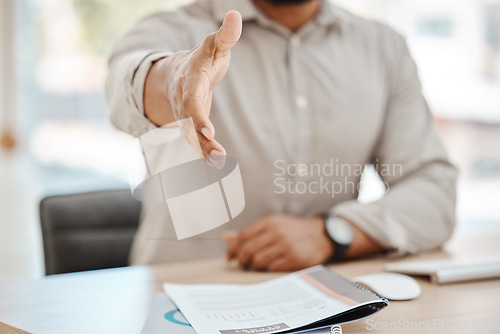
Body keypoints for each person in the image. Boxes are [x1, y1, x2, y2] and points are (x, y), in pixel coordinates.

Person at [106, 0, 457, 271]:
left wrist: (334, 233)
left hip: (325, 299)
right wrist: (174, 78)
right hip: (182, 299)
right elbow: (127, 86)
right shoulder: (173, 29)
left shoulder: (385, 48)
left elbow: (434, 193)